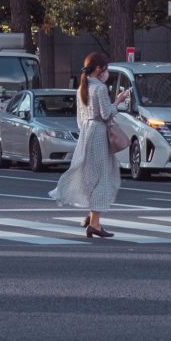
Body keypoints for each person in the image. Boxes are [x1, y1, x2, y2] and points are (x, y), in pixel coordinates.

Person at [53, 52, 121, 240]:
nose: (107, 73)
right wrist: (118, 101)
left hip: (86, 133)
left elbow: (79, 119)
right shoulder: (100, 89)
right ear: (99, 69)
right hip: (99, 131)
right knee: (103, 176)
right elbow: (106, 114)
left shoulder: (82, 88)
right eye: (106, 69)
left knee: (90, 173)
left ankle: (92, 217)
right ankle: (95, 223)